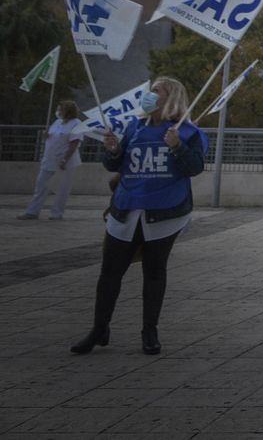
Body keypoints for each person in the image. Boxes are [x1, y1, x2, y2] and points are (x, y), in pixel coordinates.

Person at [70, 77, 207, 356]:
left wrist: (177, 146)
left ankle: (149, 332)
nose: (150, 95)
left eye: (157, 91)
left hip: (164, 212)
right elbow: (115, 164)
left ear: (171, 98)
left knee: (154, 272)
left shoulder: (187, 132)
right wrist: (112, 150)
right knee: (110, 272)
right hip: (125, 210)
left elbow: (194, 168)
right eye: (150, 90)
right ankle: (99, 329)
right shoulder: (134, 127)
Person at [19, 100, 86, 220]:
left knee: (62, 189)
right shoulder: (58, 122)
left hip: (66, 162)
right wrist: (47, 135)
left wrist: (65, 159)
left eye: (60, 109)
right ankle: (32, 212)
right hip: (49, 159)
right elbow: (53, 135)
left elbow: (74, 143)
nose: (58, 111)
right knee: (41, 185)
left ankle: (57, 213)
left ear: (68, 111)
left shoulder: (76, 123)